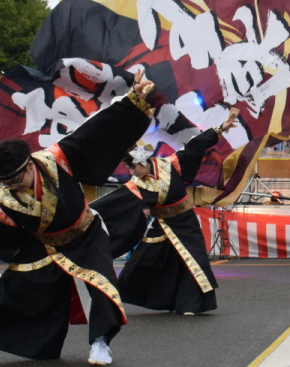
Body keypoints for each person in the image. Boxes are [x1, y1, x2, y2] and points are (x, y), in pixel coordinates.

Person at [0, 72, 158, 367]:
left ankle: (100, 342)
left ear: (29, 165)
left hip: (86, 234)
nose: (14, 187)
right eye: (7, 183)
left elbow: (97, 129)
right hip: (43, 244)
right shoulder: (6, 198)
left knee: (101, 284)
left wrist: (132, 100)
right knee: (2, 294)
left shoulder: (57, 159)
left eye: (17, 179)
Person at [93, 109, 240, 316]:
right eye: (129, 169)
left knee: (193, 261)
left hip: (185, 221)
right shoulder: (137, 184)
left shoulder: (171, 165)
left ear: (143, 163)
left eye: (133, 168)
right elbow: (113, 203)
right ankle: (134, 294)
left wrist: (220, 129)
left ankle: (191, 304)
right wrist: (86, 211)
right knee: (142, 260)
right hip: (161, 225)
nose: (132, 173)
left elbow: (195, 146)